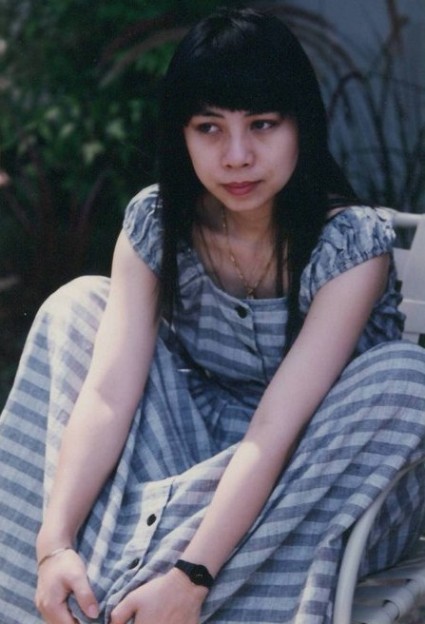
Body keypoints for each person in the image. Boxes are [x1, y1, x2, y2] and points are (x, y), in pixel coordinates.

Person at [1, 6, 425, 624]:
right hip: (185, 467)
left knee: (406, 375)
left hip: (317, 486)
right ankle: (72, 579)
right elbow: (108, 397)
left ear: (301, 126)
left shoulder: (350, 245)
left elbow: (275, 430)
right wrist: (54, 542)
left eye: (262, 125)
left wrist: (192, 574)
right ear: (181, 135)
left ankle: (146, 588)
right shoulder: (158, 224)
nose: (237, 156)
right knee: (78, 305)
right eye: (209, 128)